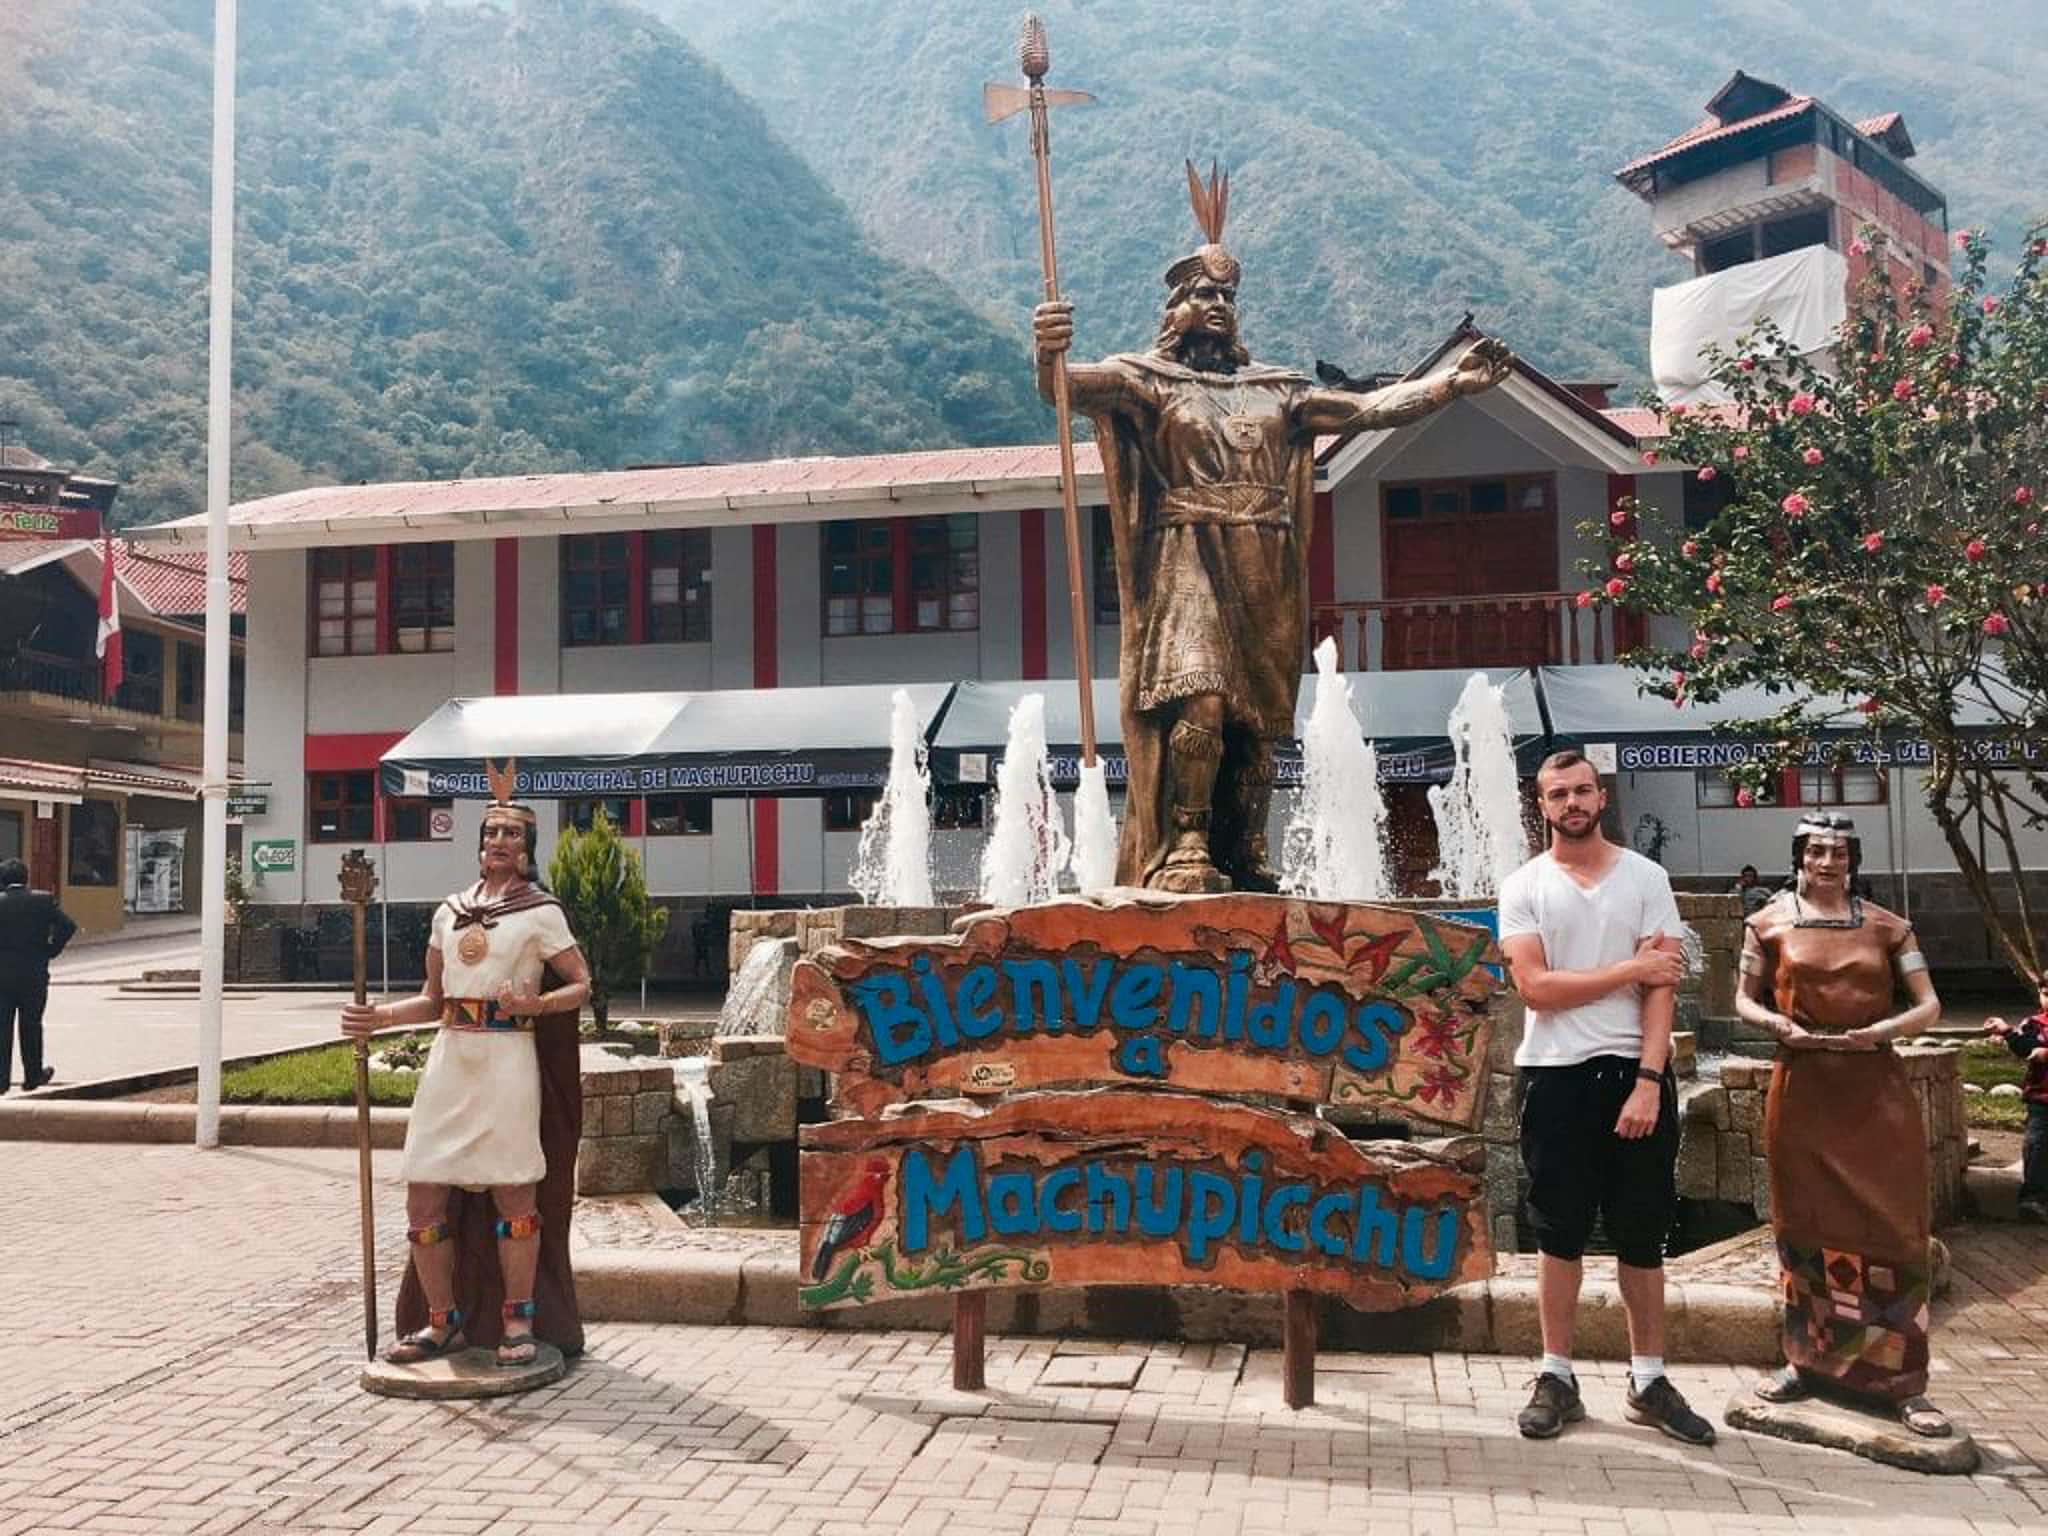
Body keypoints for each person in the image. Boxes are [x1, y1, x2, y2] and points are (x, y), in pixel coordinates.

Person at [1032, 162, 1509, 895]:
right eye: (1202, 292)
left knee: (1257, 719)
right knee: (1203, 697)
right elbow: (1065, 390)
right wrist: (1048, 348)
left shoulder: (1277, 390)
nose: (1218, 303)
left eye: (1226, 294)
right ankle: (1187, 843)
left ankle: (1245, 846)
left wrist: (1451, 385)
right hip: (1187, 554)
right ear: (1176, 308)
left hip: (1265, 561)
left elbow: (1365, 411)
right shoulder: (1149, 381)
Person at [1498, 750, 1714, 1445]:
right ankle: (1556, 1375)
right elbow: (1536, 989)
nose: (1572, 803)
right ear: (1543, 805)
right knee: (1557, 1233)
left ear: (1601, 795)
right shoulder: (1524, 886)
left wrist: (1650, 1082)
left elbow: (1662, 989)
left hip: (1634, 1076)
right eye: (1558, 794)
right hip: (1555, 1077)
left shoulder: (1647, 879)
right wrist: (1628, 965)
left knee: (1641, 1234)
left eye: (1582, 790)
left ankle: (1648, 1378)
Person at [341, 793, 592, 1366]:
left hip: (508, 1060)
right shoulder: (449, 911)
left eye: (513, 834)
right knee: (424, 1195)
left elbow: (582, 983)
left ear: (528, 849)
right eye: (492, 833)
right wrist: (376, 1017)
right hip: (452, 1060)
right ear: (479, 846)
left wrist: (539, 1001)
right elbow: (433, 1000)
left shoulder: (541, 912)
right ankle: (440, 1321)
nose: (501, 842)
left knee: (513, 1191)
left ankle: (518, 1321)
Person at [1735, 812, 1950, 1435]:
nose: (1827, 862)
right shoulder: (1766, 923)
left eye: (1839, 852)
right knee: (1804, 1224)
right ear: (1799, 856)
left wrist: (1882, 1032)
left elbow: (1930, 1005)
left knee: (1893, 1231)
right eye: (1816, 851)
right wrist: (1774, 1024)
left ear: (1853, 858)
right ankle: (1807, 1363)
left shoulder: (1889, 927)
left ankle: (1903, 1381)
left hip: (1873, 1088)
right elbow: (1743, 999)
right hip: (1802, 1086)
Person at [0, 857, 77, 1092]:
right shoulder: (43, 901)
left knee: (2, 1026)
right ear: (26, 878)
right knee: (31, 1024)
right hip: (34, 975)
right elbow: (68, 925)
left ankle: (1, 1080)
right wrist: (51, 950)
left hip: (2, 977)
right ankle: (33, 1075)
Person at [1984, 982, 2048, 1224]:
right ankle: (2033, 1199)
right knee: (2037, 1146)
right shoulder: (2034, 1024)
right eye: (2046, 994)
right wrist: (2006, 1031)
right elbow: (2025, 1047)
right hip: (2041, 1100)